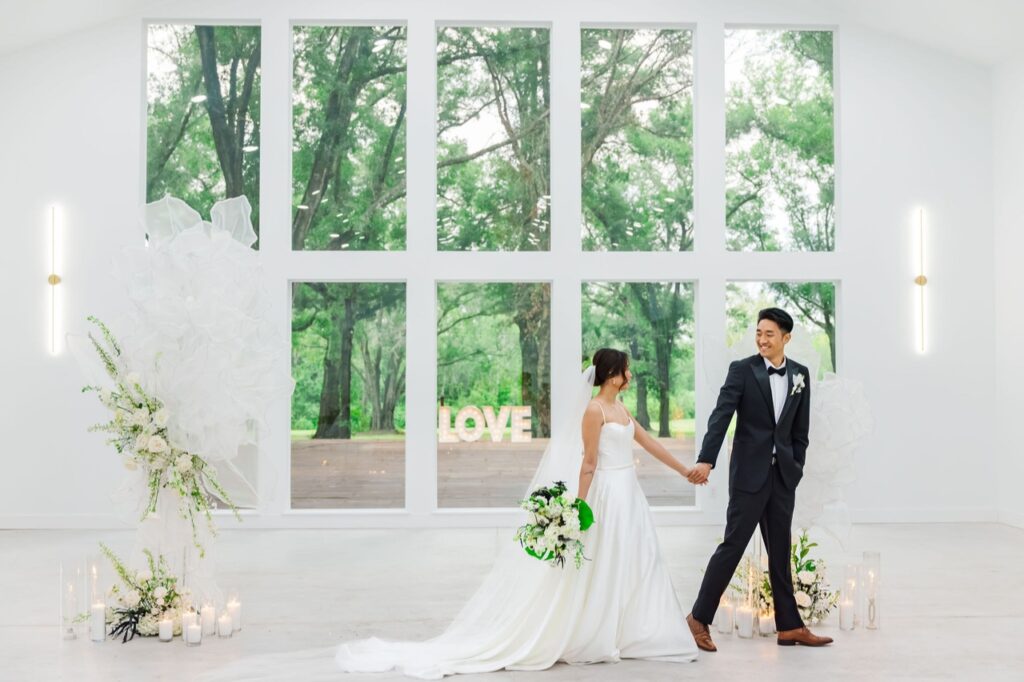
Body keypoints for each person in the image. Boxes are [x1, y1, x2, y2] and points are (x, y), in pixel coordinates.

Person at [335, 348, 699, 677]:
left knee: (635, 560)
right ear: (611, 375)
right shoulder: (595, 410)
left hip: (629, 495)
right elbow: (588, 463)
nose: (630, 374)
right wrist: (579, 509)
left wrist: (684, 470)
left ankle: (631, 629)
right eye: (626, 369)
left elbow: (648, 442)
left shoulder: (621, 408)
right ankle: (593, 632)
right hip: (606, 495)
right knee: (600, 565)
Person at [685, 307, 832, 649]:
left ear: (786, 338)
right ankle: (698, 618)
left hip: (783, 476)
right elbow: (721, 416)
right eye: (759, 333)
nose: (762, 339)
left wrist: (796, 464)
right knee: (733, 546)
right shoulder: (742, 370)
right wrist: (707, 460)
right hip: (748, 476)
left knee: (780, 551)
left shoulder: (801, 375)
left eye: (769, 334)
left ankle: (790, 626)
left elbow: (801, 429)